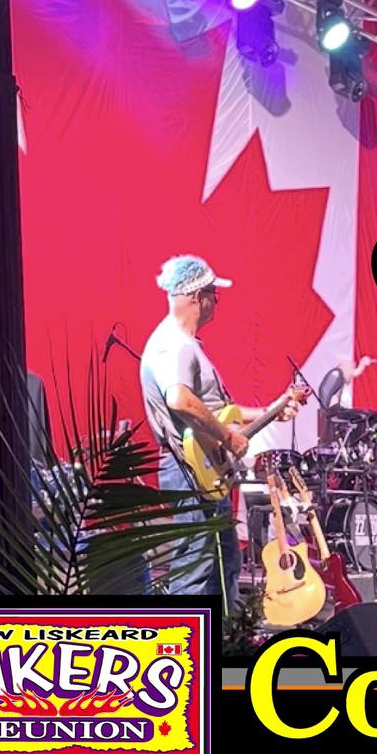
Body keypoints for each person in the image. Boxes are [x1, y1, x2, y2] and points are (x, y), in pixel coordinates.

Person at [139, 254, 301, 615]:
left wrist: (271, 410)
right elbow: (179, 400)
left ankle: (219, 639)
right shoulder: (173, 344)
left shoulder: (185, 344)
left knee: (223, 562)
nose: (217, 301)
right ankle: (187, 643)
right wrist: (228, 438)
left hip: (202, 470)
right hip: (188, 470)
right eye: (214, 293)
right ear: (198, 297)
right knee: (196, 568)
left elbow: (215, 411)